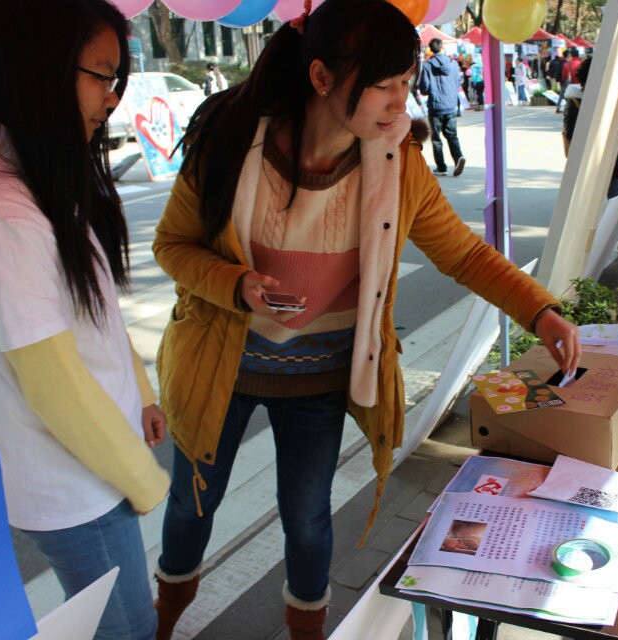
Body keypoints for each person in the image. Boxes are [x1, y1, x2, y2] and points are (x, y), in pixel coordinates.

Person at [148, 1, 581, 639]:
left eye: (406, 81)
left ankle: (308, 631)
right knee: (191, 507)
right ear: (322, 77)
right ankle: (161, 622)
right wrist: (234, 284)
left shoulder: (397, 163)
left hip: (319, 376)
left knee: (307, 519)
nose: (400, 101)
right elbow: (171, 245)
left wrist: (540, 310)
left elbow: (463, 254)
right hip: (219, 365)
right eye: (383, 84)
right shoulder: (233, 141)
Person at [0, 1, 170, 639]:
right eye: (102, 76)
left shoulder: (34, 177)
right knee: (128, 629)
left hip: (93, 466)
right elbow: (55, 385)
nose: (112, 99)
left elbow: (95, 315)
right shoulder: (0, 212)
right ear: (38, 68)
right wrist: (143, 479)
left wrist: (140, 394)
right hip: (75, 484)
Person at [562, 57, 618, 250]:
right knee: (592, 206)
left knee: (616, 203)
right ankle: (583, 245)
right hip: (589, 163)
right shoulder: (576, 101)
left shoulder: (609, 99)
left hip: (608, 162)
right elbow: (572, 134)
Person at [418, 37, 466, 177]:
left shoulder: (428, 65)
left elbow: (424, 88)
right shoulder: (453, 64)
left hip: (436, 106)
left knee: (436, 138)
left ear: (430, 49)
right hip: (451, 105)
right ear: (442, 47)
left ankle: (441, 166)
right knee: (452, 135)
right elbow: (458, 82)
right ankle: (458, 157)